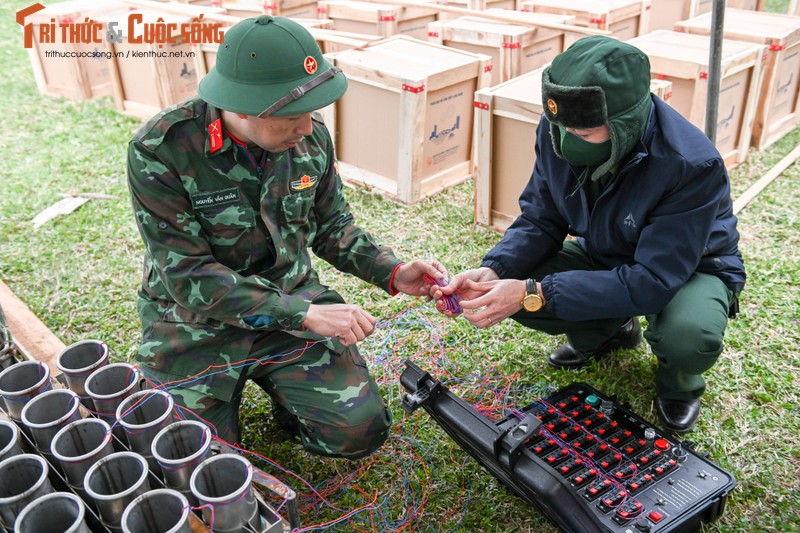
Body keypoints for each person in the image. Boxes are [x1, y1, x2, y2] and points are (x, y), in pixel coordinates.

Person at [126, 15, 445, 459]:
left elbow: (332, 225)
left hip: (293, 300)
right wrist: (303, 315)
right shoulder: (162, 149)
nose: (306, 128)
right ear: (241, 108)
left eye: (311, 112)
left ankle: (289, 394)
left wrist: (392, 271)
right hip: (196, 326)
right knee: (193, 459)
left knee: (359, 432)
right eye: (293, 116)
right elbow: (187, 275)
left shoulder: (309, 137)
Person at [432, 36, 744, 434]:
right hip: (609, 251)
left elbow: (655, 279)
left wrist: (536, 292)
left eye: (582, 133)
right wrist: (495, 270)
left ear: (625, 122)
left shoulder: (691, 164)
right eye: (560, 127)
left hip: (689, 268)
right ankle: (612, 329)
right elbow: (540, 219)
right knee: (523, 278)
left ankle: (680, 385)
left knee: (687, 334)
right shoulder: (559, 127)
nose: (565, 142)